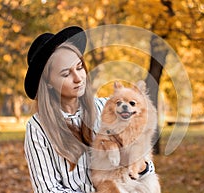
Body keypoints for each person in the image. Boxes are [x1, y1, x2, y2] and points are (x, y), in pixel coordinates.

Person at [23, 26, 156, 193]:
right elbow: (48, 190)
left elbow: (145, 166)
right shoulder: (37, 128)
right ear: (48, 82)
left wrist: (138, 163)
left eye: (79, 67)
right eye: (66, 74)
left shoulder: (108, 108)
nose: (78, 78)